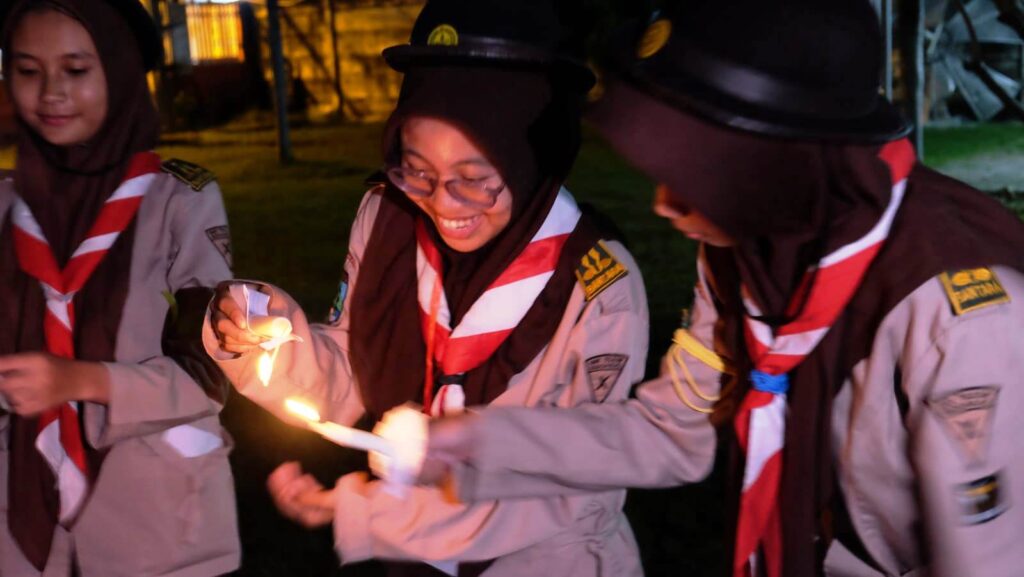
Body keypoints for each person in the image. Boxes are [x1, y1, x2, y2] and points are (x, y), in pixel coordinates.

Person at [420, 1, 1024, 576]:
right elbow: (672, 430)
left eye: (701, 175)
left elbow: (987, 558)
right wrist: (479, 439)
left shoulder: (959, 315)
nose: (664, 204)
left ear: (776, 167)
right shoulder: (751, 251)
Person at [204, 1, 649, 576]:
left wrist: (366, 513)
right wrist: (265, 332)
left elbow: (569, 485)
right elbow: (348, 373)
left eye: (474, 178)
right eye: (416, 169)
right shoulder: (387, 219)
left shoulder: (598, 286)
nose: (442, 202)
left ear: (533, 154)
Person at [0, 1, 240, 575]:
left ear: (123, 72)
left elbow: (213, 370)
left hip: (158, 518)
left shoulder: (178, 202)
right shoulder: (6, 205)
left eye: (77, 70)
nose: (50, 92)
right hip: (21, 514)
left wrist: (80, 380)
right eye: (29, 71)